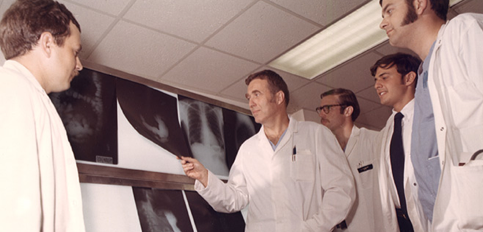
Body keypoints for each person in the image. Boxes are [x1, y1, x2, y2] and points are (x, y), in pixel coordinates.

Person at [180, 69, 355, 232]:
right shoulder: (248, 149)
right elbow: (235, 199)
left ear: (279, 97)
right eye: (248, 97)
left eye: (257, 94)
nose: (251, 103)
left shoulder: (316, 134)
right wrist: (204, 177)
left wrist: (313, 227)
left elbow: (341, 189)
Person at [379, 0, 483, 230]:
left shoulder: (462, 32)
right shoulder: (425, 77)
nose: (382, 22)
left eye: (389, 10)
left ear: (418, 4)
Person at [0, 0, 85, 231]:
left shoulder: (28, 95)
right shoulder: (11, 89)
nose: (79, 65)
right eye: (74, 52)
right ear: (48, 43)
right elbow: (13, 212)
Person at [318, 88, 386, 232]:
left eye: (327, 108)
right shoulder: (323, 152)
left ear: (348, 111)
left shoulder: (375, 141)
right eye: (320, 109)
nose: (322, 113)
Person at [370, 53, 422, 231]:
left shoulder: (430, 118)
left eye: (384, 77)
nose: (377, 85)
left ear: (409, 78)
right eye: (376, 79)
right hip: (402, 222)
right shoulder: (385, 134)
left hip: (431, 212)